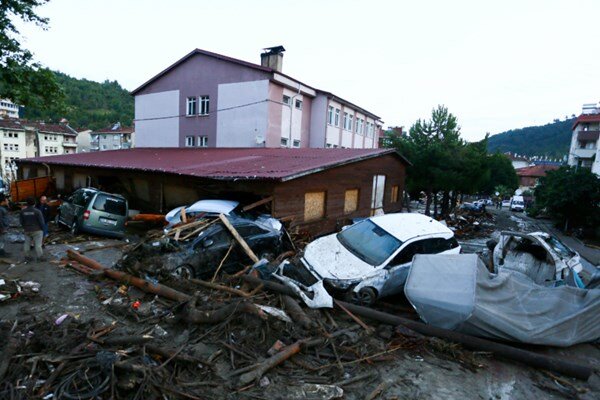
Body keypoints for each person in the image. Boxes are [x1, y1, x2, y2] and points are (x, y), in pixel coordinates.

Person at [20, 197, 45, 261]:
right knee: (38, 245)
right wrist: (43, 229)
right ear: (34, 203)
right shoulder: (37, 211)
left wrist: (25, 227)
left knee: (27, 244)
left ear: (27, 203)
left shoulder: (22, 211)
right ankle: (40, 257)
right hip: (37, 230)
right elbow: (42, 222)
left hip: (27, 230)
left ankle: (27, 257)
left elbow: (21, 222)